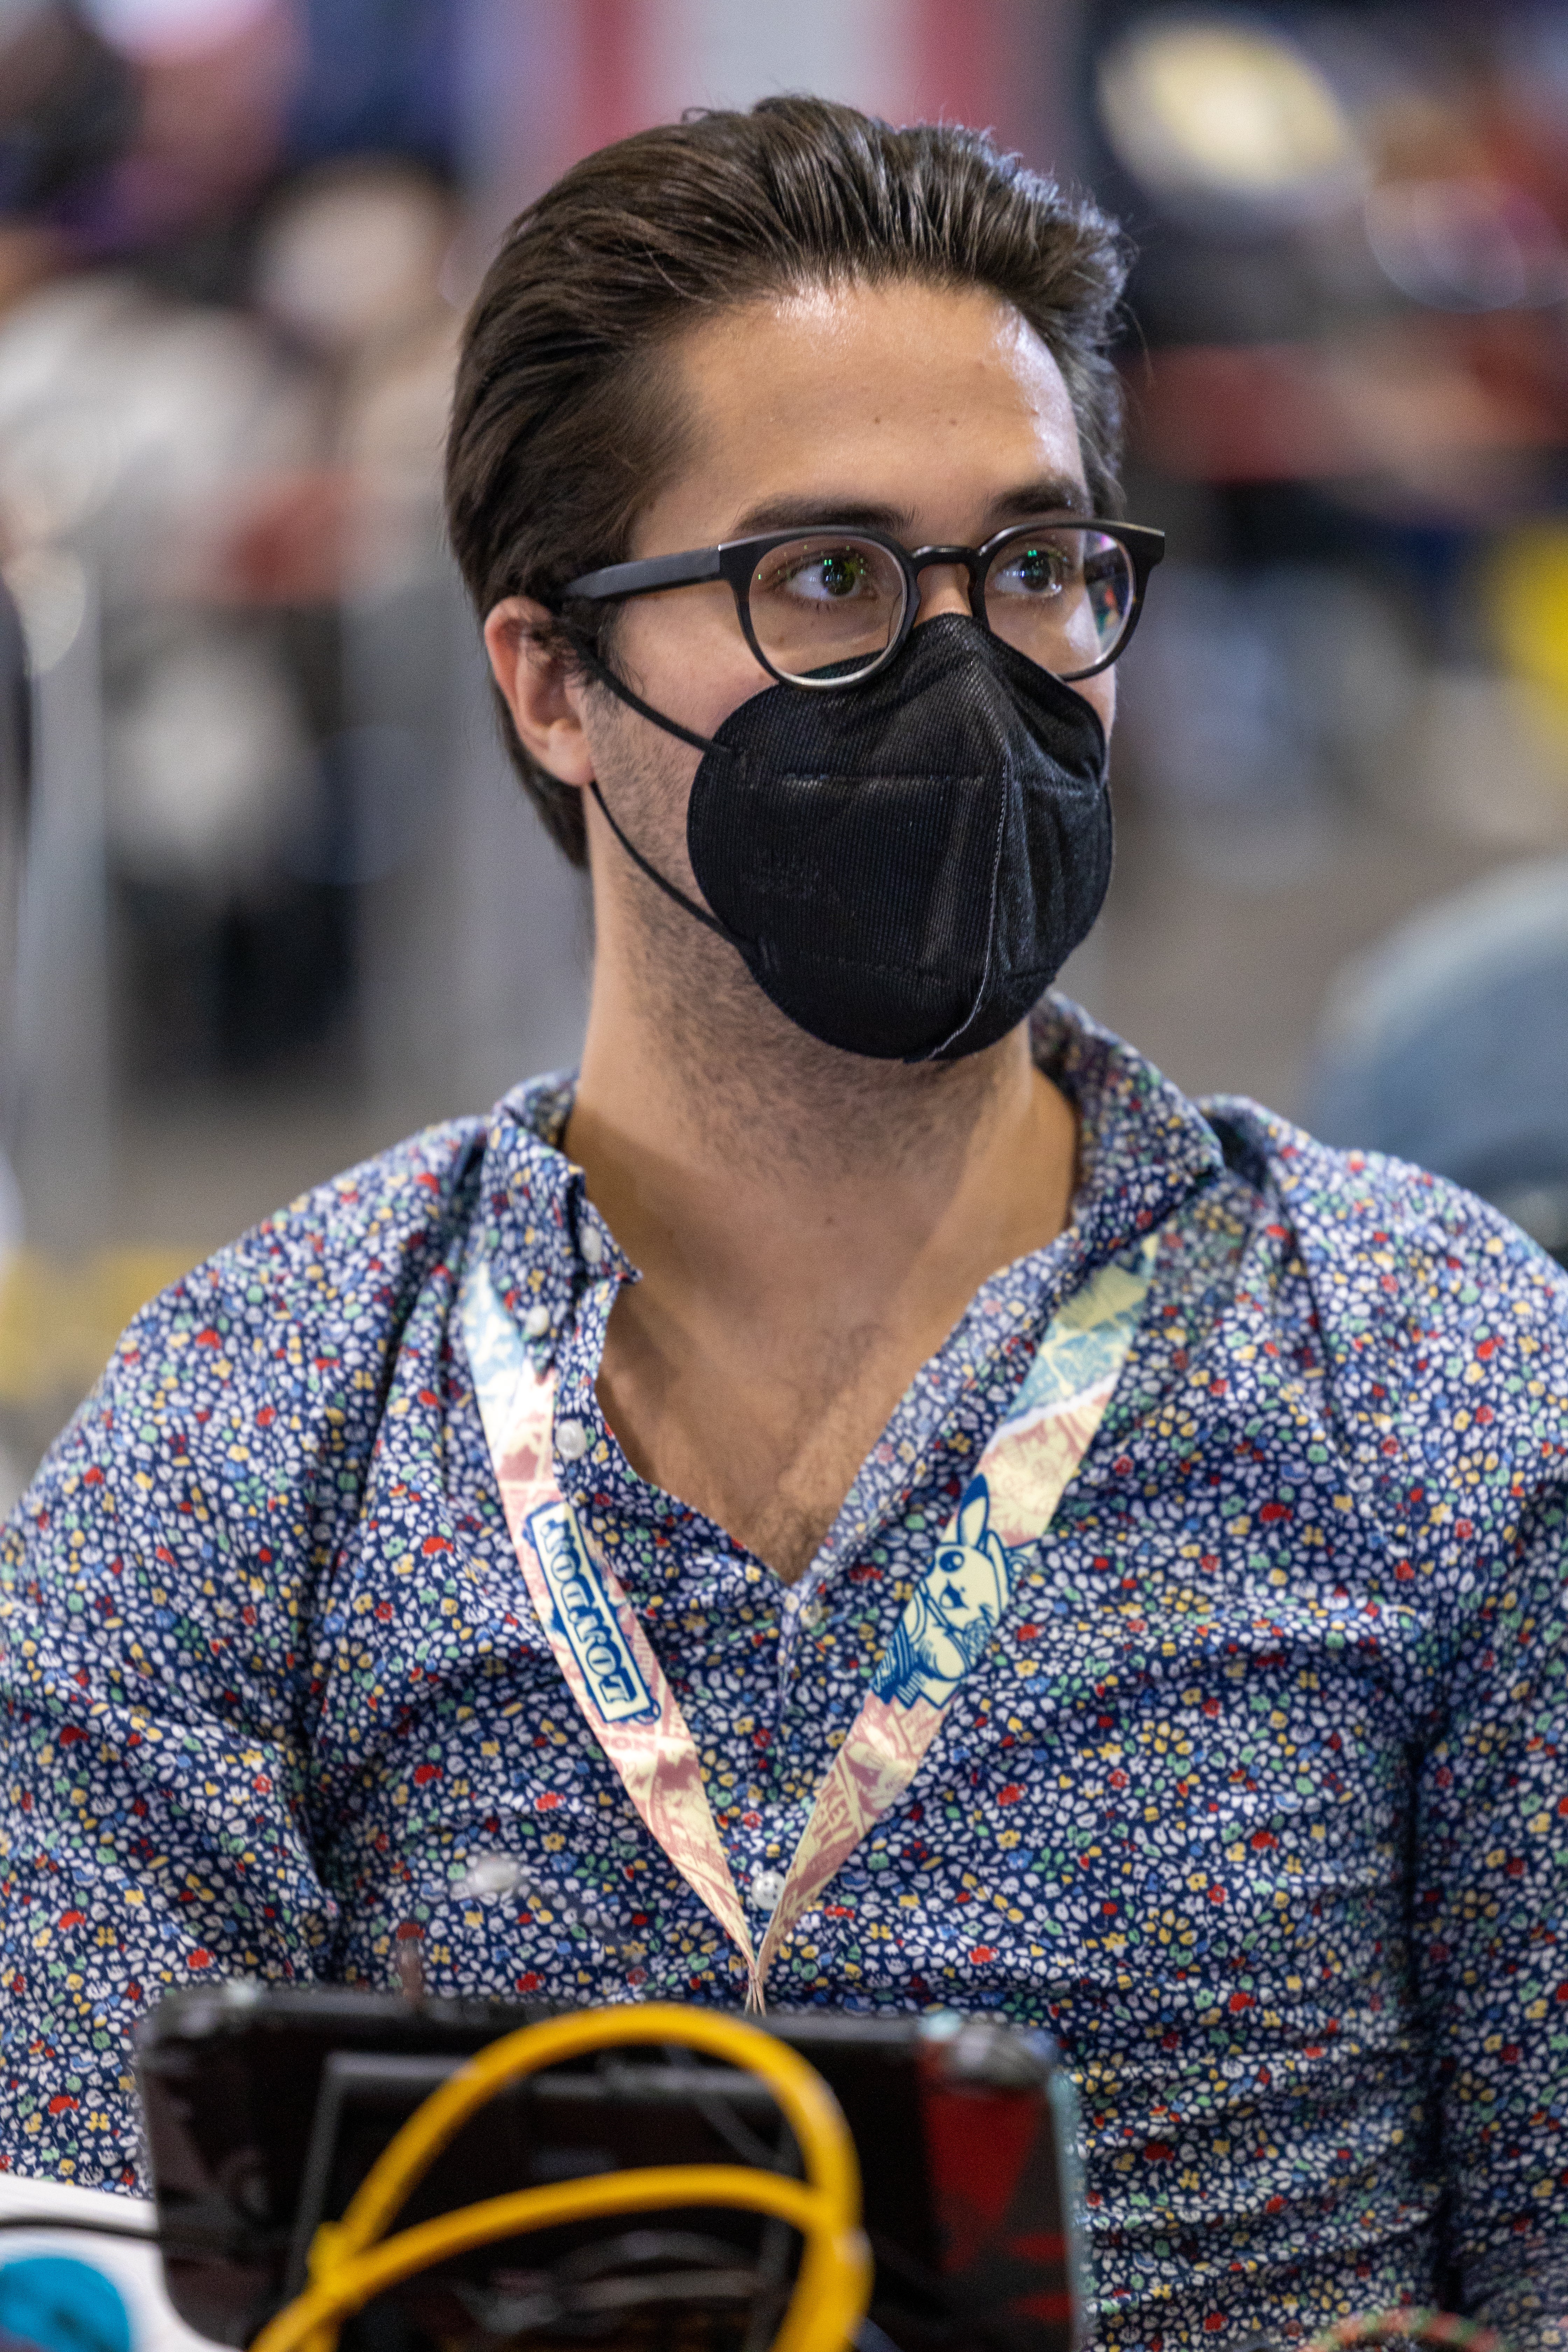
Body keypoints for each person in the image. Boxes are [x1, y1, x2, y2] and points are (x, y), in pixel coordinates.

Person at [1, 95, 1566, 2352]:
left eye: (1033, 569)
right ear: (549, 682)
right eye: (825, 580)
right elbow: (90, 2271)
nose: (970, 671)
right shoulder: (257, 1428)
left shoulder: (1430, 1364)